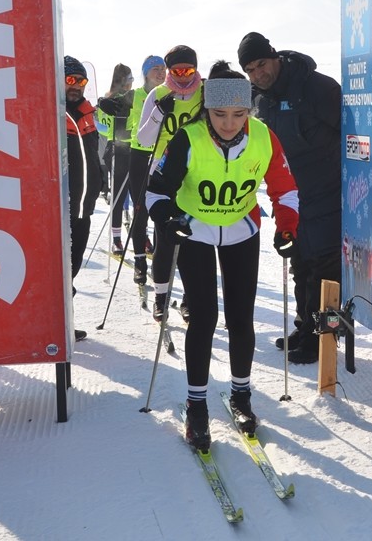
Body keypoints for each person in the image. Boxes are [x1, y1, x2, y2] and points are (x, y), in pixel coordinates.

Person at [145, 77, 299, 448]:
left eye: (238, 114)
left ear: (249, 111)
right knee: (203, 317)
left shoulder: (262, 136)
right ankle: (197, 405)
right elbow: (155, 191)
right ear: (206, 110)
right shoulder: (189, 137)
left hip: (241, 229)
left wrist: (288, 226)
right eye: (219, 114)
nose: (229, 123)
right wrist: (169, 219)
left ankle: (241, 396)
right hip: (196, 229)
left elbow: (285, 185)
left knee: (241, 315)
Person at [239, 32, 342, 365]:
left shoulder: (317, 87)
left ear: (274, 57)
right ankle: (304, 327)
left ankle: (324, 338)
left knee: (326, 271)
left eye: (261, 65)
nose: (258, 74)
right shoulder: (258, 98)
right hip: (291, 197)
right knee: (300, 264)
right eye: (250, 70)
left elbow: (353, 135)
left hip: (328, 191)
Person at [138, 46, 204, 321]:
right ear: (168, 71)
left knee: (196, 237)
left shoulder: (206, 91)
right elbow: (143, 140)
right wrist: (157, 114)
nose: (183, 77)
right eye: (177, 71)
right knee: (165, 238)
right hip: (165, 173)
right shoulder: (158, 94)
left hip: (199, 172)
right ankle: (161, 297)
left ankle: (190, 299)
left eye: (189, 70)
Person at [63, 55, 101, 342]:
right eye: (70, 80)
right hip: (59, 207)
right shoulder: (52, 112)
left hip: (83, 208)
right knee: (58, 269)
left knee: (71, 267)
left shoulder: (87, 114)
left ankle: (63, 323)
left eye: (81, 81)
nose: (76, 86)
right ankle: (58, 325)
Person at [125, 55, 168, 286]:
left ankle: (158, 261)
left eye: (163, 69)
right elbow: (117, 103)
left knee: (161, 210)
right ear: (146, 73)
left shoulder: (169, 94)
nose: (161, 73)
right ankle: (140, 262)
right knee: (140, 210)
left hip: (162, 155)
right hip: (140, 154)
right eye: (156, 69)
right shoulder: (137, 95)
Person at [96, 64, 135, 255]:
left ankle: (139, 237)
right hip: (118, 149)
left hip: (133, 149)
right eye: (130, 80)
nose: (131, 84)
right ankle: (117, 239)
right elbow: (102, 126)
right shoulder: (111, 100)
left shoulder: (127, 98)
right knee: (119, 195)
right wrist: (114, 131)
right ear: (123, 81)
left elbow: (101, 127)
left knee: (137, 195)